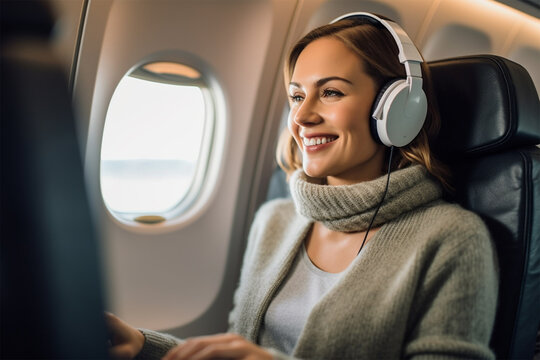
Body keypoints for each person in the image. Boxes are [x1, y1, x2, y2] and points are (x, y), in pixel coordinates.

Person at [106, 13, 498, 360]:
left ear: (396, 108)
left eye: (330, 92)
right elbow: (239, 348)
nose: (302, 116)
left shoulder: (453, 239)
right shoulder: (273, 221)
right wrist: (144, 347)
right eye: (296, 95)